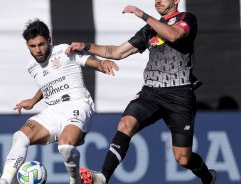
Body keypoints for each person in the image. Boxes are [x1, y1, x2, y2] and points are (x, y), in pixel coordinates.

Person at [65, 1, 217, 184]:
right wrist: (86, 46)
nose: (158, 1)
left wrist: (142, 14)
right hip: (151, 93)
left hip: (180, 96)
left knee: (183, 158)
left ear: (176, 0)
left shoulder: (186, 18)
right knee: (125, 123)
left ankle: (208, 177)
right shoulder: (148, 29)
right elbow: (118, 52)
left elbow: (174, 35)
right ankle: (103, 177)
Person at [0, 19, 119, 184]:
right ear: (27, 46)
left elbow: (89, 61)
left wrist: (102, 63)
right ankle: (4, 181)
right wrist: (33, 100)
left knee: (65, 147)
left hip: (77, 105)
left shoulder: (65, 51)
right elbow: (49, 84)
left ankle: (75, 180)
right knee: (20, 137)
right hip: (53, 111)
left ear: (49, 40)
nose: (38, 50)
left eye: (41, 44)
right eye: (33, 46)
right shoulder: (32, 67)